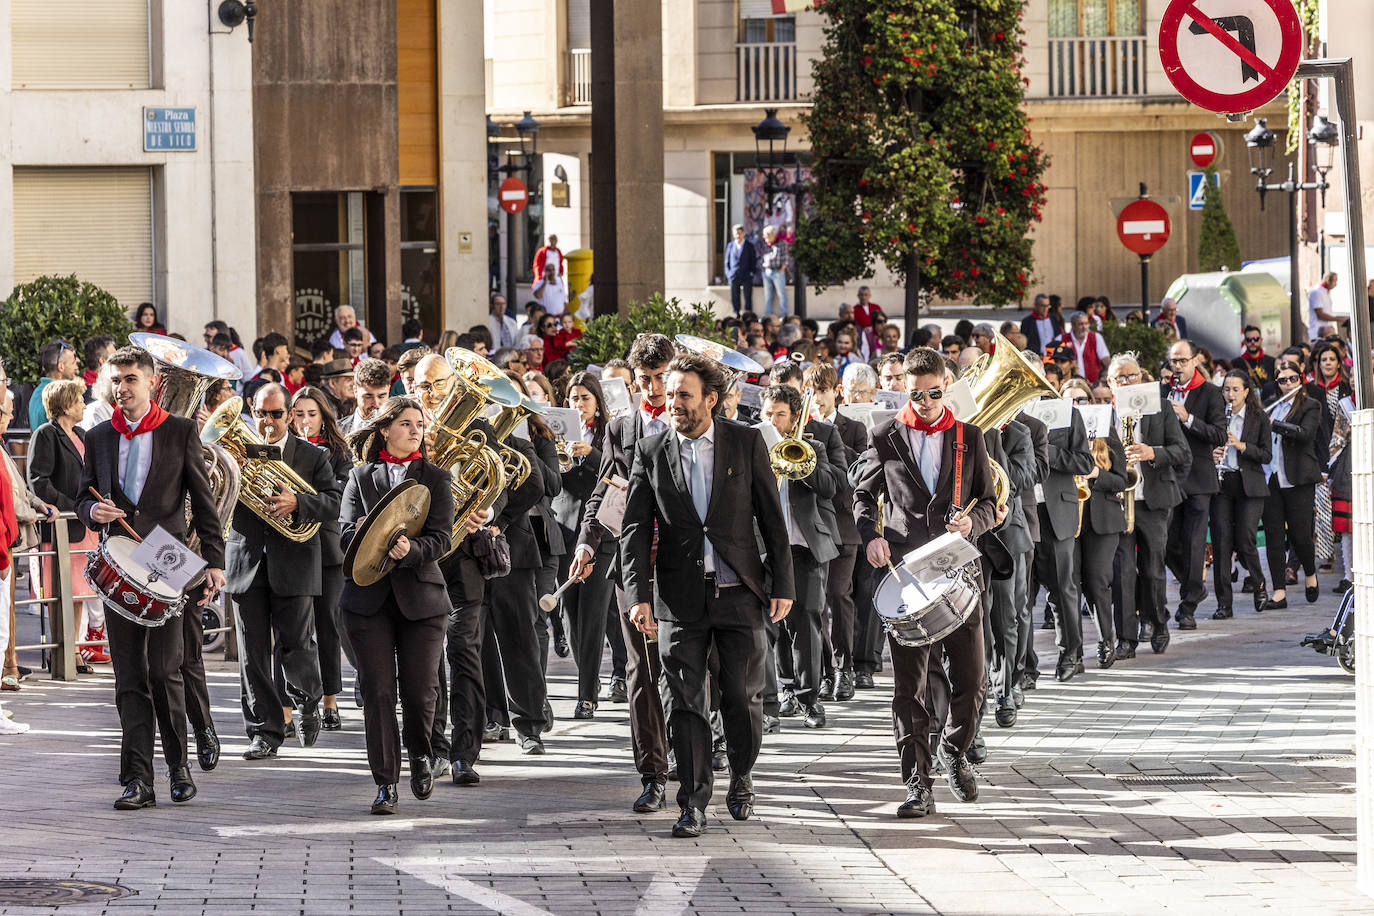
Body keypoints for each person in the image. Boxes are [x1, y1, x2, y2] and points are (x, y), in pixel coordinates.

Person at [621, 352, 794, 838]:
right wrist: (638, 594)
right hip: (679, 599)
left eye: (683, 394)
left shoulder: (745, 442)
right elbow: (634, 527)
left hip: (740, 591)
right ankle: (692, 802)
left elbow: (771, 520)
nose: (672, 402)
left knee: (741, 697)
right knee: (685, 702)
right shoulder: (651, 450)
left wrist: (782, 583)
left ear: (711, 400)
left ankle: (741, 772)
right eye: (670, 394)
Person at [74, 346, 227, 810]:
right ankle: (138, 778)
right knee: (129, 678)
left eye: (130, 380)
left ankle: (178, 767)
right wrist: (91, 511)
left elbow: (203, 504)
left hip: (170, 563)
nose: (122, 389)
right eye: (116, 381)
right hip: (120, 567)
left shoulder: (181, 432)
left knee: (165, 671)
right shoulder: (98, 436)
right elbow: (82, 497)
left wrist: (215, 563)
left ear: (151, 383)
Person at [853, 346, 996, 817]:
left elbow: (990, 504)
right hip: (907, 574)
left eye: (935, 393)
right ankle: (917, 783)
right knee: (909, 686)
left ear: (946, 389)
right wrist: (869, 535)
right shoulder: (884, 435)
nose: (926, 401)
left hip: (958, 570)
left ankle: (955, 751)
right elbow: (862, 494)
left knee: (972, 680)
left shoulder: (968, 437)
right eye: (917, 394)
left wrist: (973, 524)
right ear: (905, 392)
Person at [569, 333, 674, 813]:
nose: (654, 389)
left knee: (688, 669)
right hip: (632, 563)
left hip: (687, 564)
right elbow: (603, 490)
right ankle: (652, 773)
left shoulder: (695, 421)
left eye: (661, 379)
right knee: (640, 671)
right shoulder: (622, 427)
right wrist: (588, 541)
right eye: (646, 381)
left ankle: (697, 755)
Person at [338, 397, 455, 814]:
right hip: (367, 601)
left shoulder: (437, 479)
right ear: (385, 429)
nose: (414, 430)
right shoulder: (359, 477)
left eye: (419, 424)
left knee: (422, 691)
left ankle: (421, 753)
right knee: (378, 693)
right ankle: (385, 783)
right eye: (405, 423)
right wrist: (377, 542)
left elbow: (443, 538)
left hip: (421, 600)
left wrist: (413, 549)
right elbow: (345, 531)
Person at [227, 384, 340, 760]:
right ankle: (264, 731)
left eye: (276, 414)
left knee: (298, 644)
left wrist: (299, 502)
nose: (268, 421)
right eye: (262, 413)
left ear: (290, 414)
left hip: (295, 561)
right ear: (252, 411)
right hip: (246, 562)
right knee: (252, 655)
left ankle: (308, 699)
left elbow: (335, 502)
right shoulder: (234, 453)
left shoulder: (312, 455)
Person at [760, 385, 839, 728]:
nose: (772, 420)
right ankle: (778, 694)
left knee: (807, 619)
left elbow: (832, 486)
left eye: (779, 414)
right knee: (767, 621)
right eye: (767, 414)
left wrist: (800, 461)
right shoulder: (754, 448)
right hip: (766, 548)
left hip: (806, 546)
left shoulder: (815, 446)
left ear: (794, 419)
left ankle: (810, 699)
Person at [1106, 354, 1189, 657]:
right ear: (1109, 383)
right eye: (1120, 378)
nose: (1127, 382)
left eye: (1132, 376)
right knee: (1122, 572)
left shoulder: (1162, 408)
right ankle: (1126, 638)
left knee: (1153, 569)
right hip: (1118, 501)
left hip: (1153, 500)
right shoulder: (1104, 414)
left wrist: (1150, 452)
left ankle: (1157, 622)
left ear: (1141, 378)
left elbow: (1181, 451)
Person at [288, 387, 355, 722]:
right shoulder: (282, 449)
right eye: (298, 413)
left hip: (328, 549)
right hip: (292, 546)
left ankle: (330, 699)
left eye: (311, 414)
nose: (305, 421)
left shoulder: (340, 451)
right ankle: (296, 699)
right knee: (295, 629)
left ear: (323, 416)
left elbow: (340, 497)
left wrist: (301, 497)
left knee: (328, 624)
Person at [27, 380, 103, 673]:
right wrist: (73, 506)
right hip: (62, 528)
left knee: (80, 593)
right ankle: (62, 652)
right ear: (66, 404)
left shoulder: (83, 434)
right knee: (63, 593)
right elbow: (38, 480)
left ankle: (74, 648)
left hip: (84, 528)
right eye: (80, 399)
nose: (84, 404)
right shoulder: (46, 434)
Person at [552, 372, 614, 718]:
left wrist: (589, 453)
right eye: (573, 399)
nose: (578, 404)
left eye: (584, 399)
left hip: (600, 535)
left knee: (592, 616)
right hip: (565, 531)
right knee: (571, 615)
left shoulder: (608, 435)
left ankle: (587, 694)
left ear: (597, 402)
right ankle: (586, 678)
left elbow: (612, 475)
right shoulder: (557, 434)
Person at [1061, 379, 1126, 667]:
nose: (1076, 406)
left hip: (1102, 519)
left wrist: (1097, 474)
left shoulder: (1107, 433)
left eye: (1081, 400)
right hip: (1067, 517)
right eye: (1069, 401)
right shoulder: (1056, 434)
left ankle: (1105, 640)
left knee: (1098, 582)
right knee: (1069, 584)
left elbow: (1122, 480)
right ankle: (1072, 651)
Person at [1163, 339, 1226, 630]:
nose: (1177, 366)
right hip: (1169, 477)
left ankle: (1188, 605)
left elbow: (1219, 435)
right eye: (1173, 361)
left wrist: (1188, 419)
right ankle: (1196, 586)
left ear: (1195, 360)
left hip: (1199, 478)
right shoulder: (1163, 391)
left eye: (1182, 361)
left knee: (1194, 542)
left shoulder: (1211, 393)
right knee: (1167, 542)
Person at [1209, 370, 1272, 619]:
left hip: (1249, 485)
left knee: (1246, 539)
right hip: (1222, 484)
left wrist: (1242, 445)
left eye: (1235, 390)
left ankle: (1258, 584)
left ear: (1246, 391)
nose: (1230, 395)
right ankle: (1224, 604)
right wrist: (1212, 453)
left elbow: (1266, 454)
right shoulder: (1217, 417)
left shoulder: (1258, 417)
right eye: (1226, 390)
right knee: (1222, 543)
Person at [1260, 367, 1323, 609]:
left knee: (1299, 535)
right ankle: (1278, 591)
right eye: (1283, 380)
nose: (1288, 383)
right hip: (1271, 478)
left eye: (1292, 379)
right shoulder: (1270, 404)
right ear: (1277, 383)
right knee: (1274, 535)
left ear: (1301, 379)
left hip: (1297, 478)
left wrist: (1274, 424)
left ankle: (1309, 573)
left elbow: (1305, 435)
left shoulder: (1310, 405)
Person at [28, 340, 79, 432]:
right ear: (61, 367)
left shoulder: (36, 393)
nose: (76, 367)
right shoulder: (60, 395)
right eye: (73, 363)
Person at [340, 358, 393, 435]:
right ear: (355, 391)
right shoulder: (337, 429)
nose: (376, 403)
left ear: (388, 390)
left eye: (381, 396)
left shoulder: (397, 429)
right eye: (368, 396)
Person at [1061, 312, 1110, 383]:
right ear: (1073, 325)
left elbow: (1107, 361)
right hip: (1071, 385)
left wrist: (1104, 376)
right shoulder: (1061, 339)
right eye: (1081, 324)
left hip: (1094, 384)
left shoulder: (1096, 337)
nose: (1084, 327)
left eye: (1086, 323)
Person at [724, 224, 757, 315]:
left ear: (743, 233)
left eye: (739, 233)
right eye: (736, 233)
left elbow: (753, 260)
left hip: (746, 275)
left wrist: (752, 273)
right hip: (734, 275)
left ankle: (748, 313)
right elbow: (727, 262)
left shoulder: (749, 246)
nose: (738, 235)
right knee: (735, 296)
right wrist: (728, 274)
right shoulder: (730, 246)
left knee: (748, 296)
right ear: (733, 234)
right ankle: (736, 313)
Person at [759, 224, 790, 318]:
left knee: (781, 293)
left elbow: (786, 258)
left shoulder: (781, 244)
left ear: (772, 235)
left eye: (767, 236)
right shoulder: (765, 244)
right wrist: (762, 268)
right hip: (767, 271)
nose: (765, 238)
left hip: (778, 271)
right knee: (768, 295)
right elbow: (761, 256)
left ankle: (784, 314)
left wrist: (782, 269)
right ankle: (768, 314)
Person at [1020, 294, 1063, 358]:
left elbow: (1059, 336)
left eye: (1048, 306)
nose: (1045, 308)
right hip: (1037, 357)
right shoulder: (1027, 321)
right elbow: (1024, 342)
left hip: (1053, 356)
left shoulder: (1053, 318)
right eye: (1043, 306)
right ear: (1035, 305)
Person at [1308, 272, 1340, 341]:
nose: (1336, 284)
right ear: (1328, 280)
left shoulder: (1326, 292)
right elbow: (1320, 314)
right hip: (1317, 333)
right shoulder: (1317, 292)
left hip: (1327, 332)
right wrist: (1338, 319)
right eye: (1335, 281)